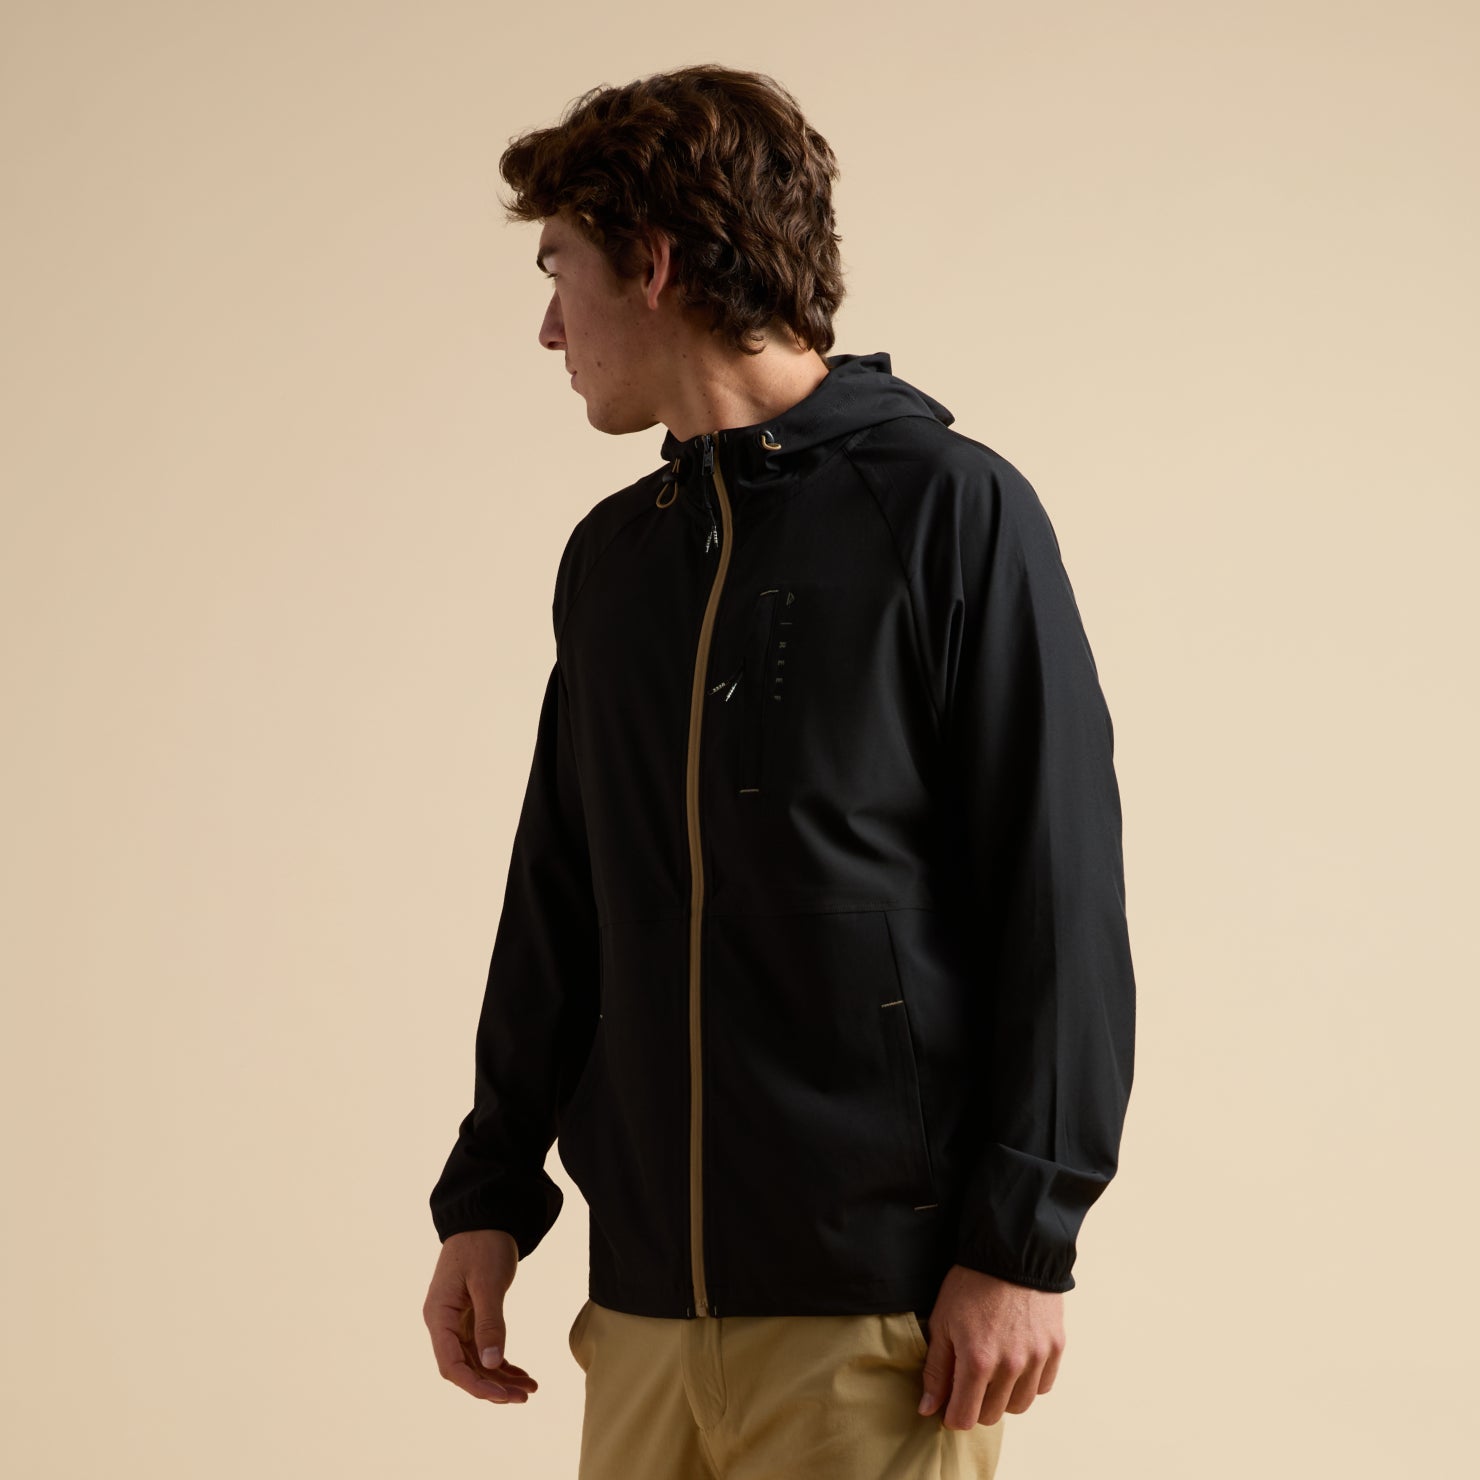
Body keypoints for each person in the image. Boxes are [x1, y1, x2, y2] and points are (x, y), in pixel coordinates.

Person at [422, 62, 1137, 1480]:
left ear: (653, 263)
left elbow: (1054, 891)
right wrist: (488, 1194)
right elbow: (559, 894)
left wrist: (1022, 1244)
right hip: (641, 1318)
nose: (549, 326)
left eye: (562, 271)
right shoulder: (616, 560)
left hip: (874, 1322)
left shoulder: (948, 512)